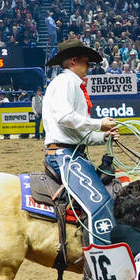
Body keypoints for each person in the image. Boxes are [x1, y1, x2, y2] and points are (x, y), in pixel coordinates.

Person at [42, 38, 118, 243]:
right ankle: (103, 256)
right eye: (87, 63)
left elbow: (76, 133)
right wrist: (99, 124)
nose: (89, 68)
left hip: (70, 151)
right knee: (101, 204)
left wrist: (103, 136)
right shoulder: (66, 82)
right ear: (74, 61)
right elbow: (65, 118)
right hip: (65, 156)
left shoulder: (68, 83)